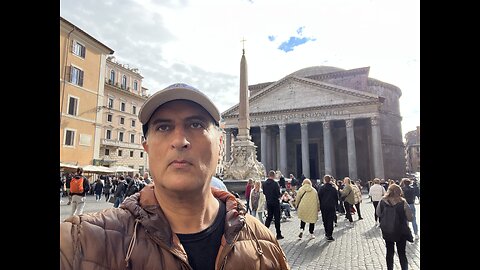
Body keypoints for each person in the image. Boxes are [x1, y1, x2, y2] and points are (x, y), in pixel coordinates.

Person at [60, 82, 290, 269]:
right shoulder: (81, 240)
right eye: (163, 127)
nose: (180, 141)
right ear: (146, 146)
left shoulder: (264, 242)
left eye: (196, 124)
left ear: (220, 145)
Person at [376, 184, 413, 270]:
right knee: (402, 253)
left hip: (387, 230)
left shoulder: (382, 201)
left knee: (389, 252)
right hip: (401, 231)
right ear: (399, 191)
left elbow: (378, 213)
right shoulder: (402, 202)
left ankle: (390, 268)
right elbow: (410, 218)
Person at [263, 170, 285, 240]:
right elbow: (278, 194)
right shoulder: (275, 183)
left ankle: (264, 233)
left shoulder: (264, 183)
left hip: (268, 202)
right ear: (273, 176)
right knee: (277, 218)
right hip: (275, 202)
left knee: (269, 217)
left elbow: (264, 192)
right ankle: (278, 234)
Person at [317, 175, 338, 241]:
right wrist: (336, 206)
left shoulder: (321, 188)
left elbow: (319, 197)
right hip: (331, 206)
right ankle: (330, 235)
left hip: (324, 207)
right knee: (330, 221)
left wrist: (319, 205)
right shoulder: (333, 188)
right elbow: (336, 198)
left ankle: (327, 233)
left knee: (325, 220)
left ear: (324, 180)